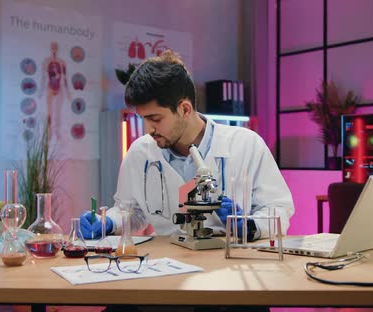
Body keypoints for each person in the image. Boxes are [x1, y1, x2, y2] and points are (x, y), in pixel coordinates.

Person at [81, 50, 294, 244]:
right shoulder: (140, 153)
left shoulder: (246, 145)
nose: (148, 129)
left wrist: (249, 226)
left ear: (184, 109)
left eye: (155, 118)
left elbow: (279, 209)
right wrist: (108, 222)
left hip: (228, 265)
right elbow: (132, 212)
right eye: (143, 119)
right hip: (167, 264)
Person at [38, 41, 71, 143]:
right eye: (52, 47)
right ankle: (49, 133)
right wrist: (41, 90)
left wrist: (68, 91)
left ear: (58, 49)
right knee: (50, 113)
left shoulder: (62, 63)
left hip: (59, 88)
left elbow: (65, 78)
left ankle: (58, 133)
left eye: (55, 47)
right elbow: (43, 78)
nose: (54, 50)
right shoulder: (46, 62)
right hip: (50, 88)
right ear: (50, 48)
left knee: (58, 113)